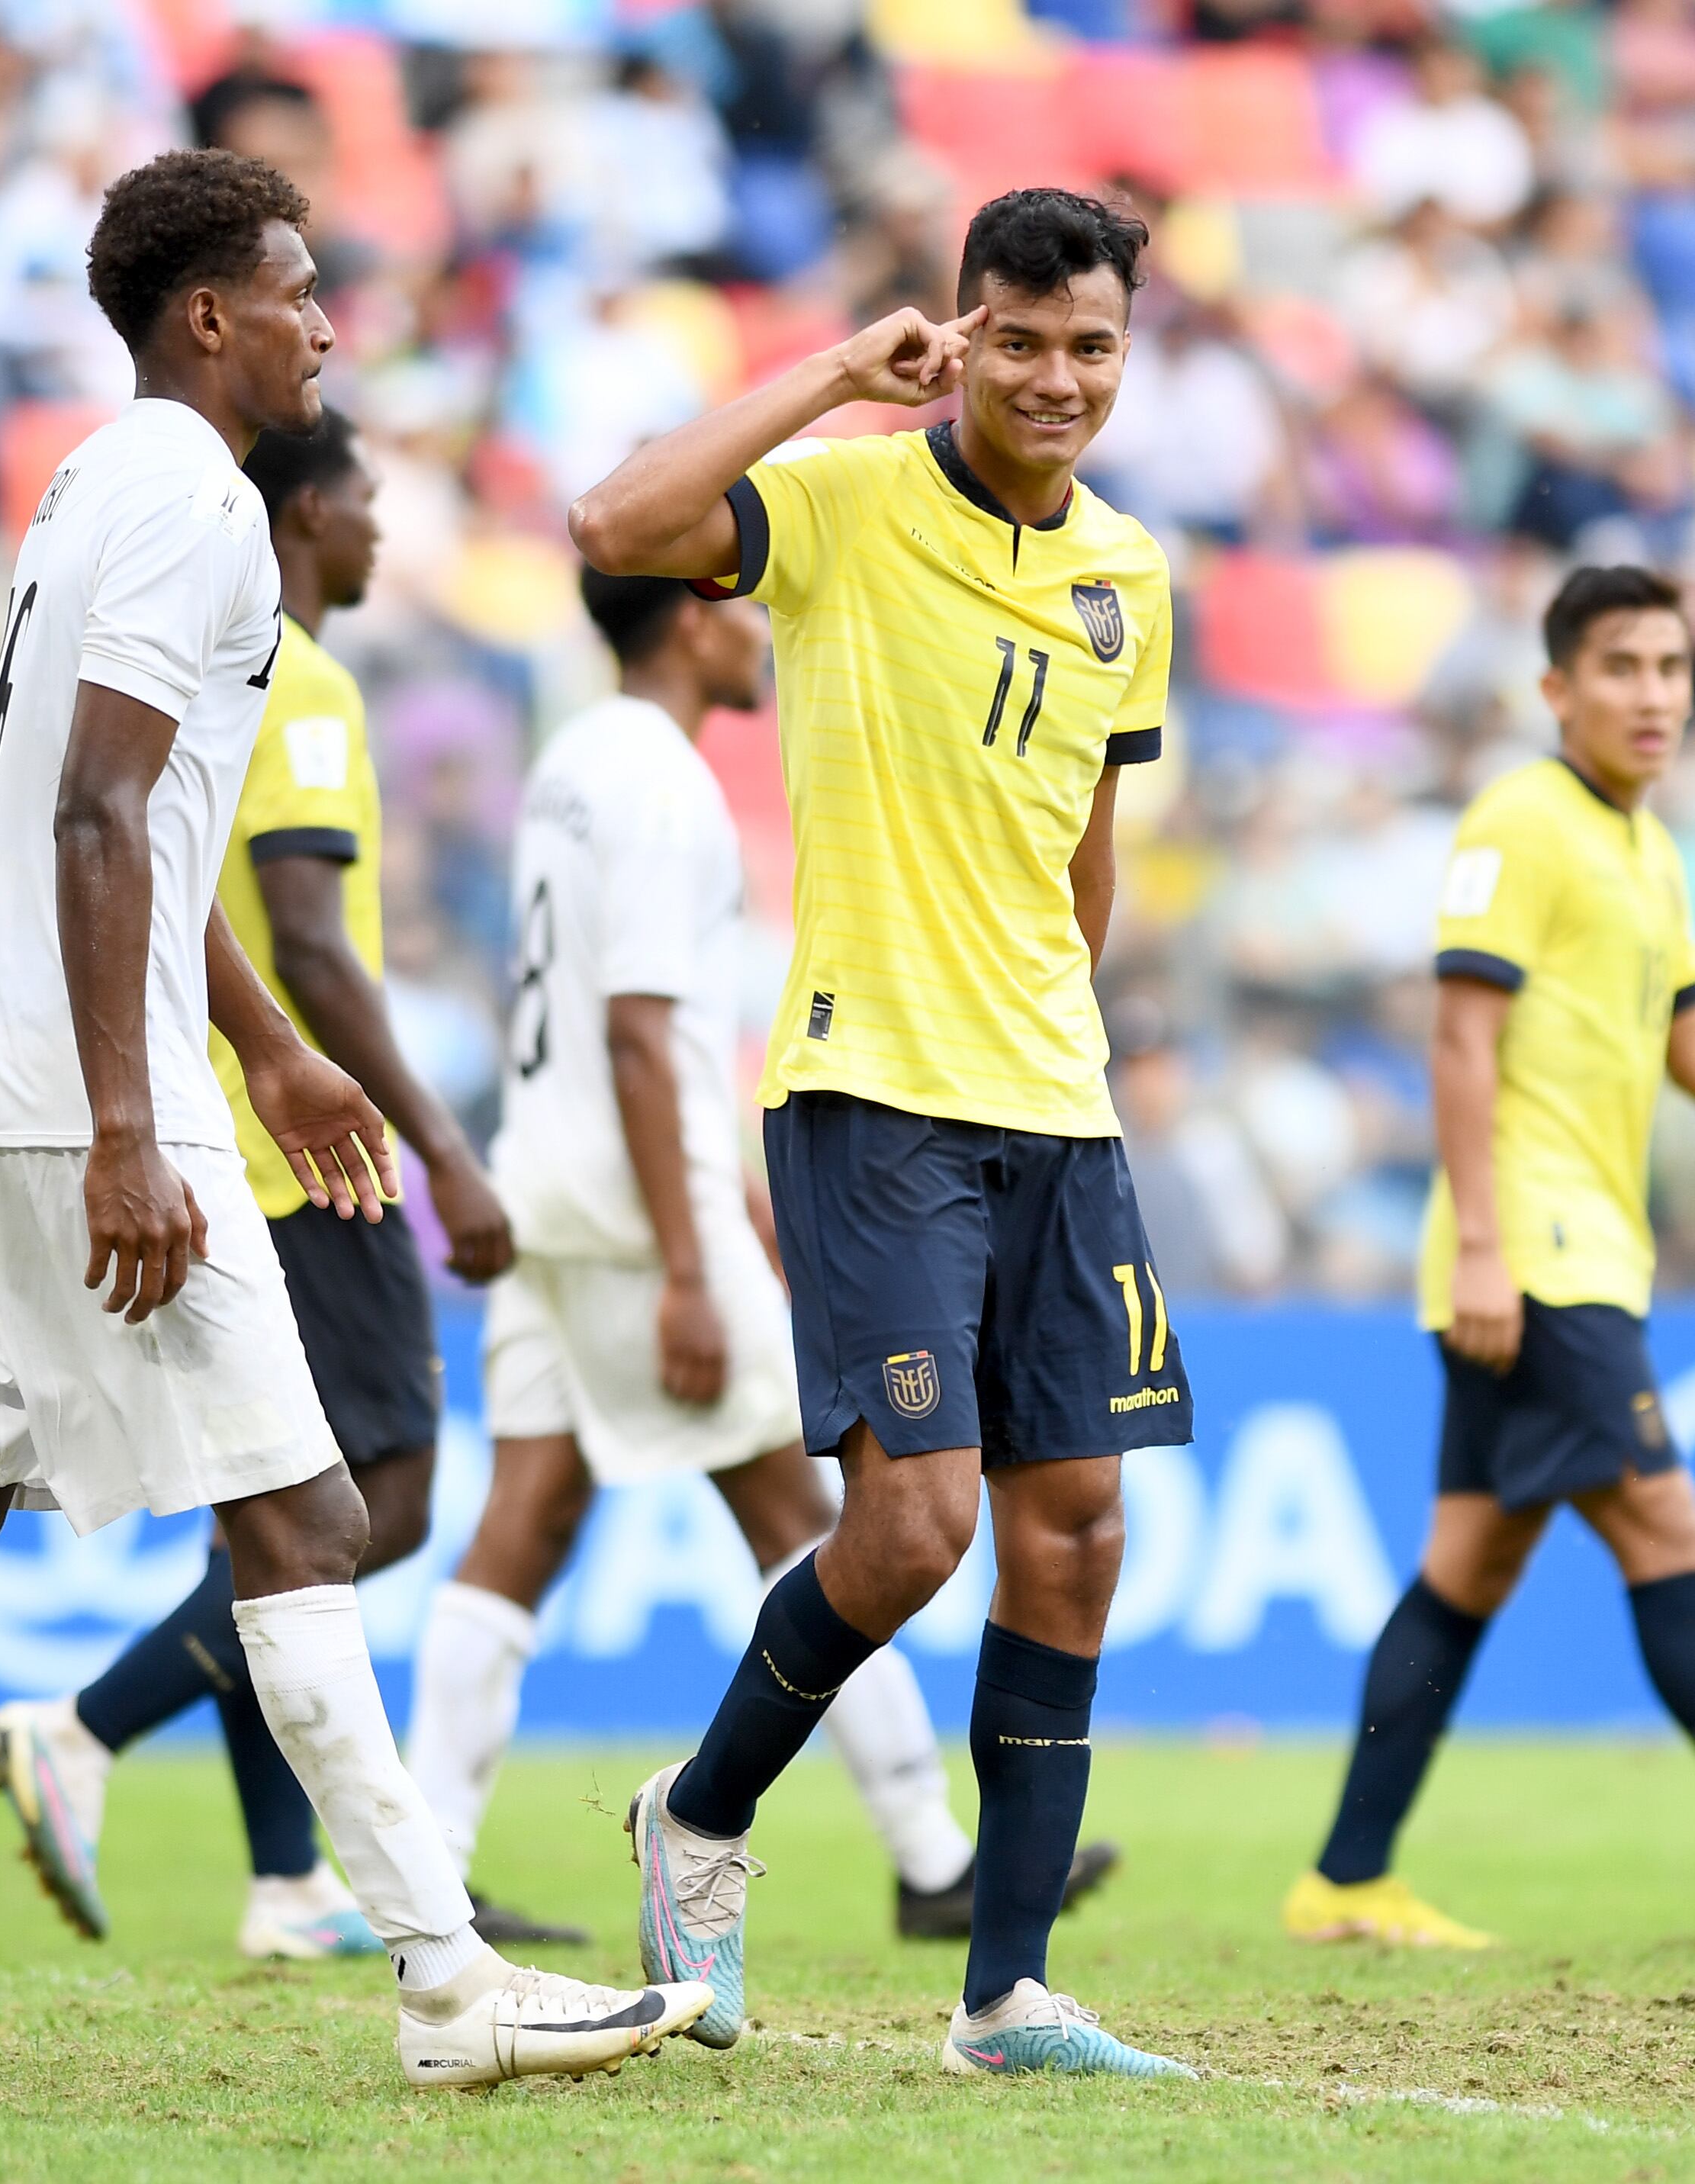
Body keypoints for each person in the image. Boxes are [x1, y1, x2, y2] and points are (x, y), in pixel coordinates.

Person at [0, 149, 700, 2098]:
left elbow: (131, 800)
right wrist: (140, 1126)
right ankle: (451, 1979)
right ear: (206, 312)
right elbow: (94, 814)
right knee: (309, 1517)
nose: (324, 322)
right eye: (298, 289)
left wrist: (278, 1049)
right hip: (82, 1107)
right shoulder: (201, 500)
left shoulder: (99, 479)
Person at [564, 185, 1193, 2078]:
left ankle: (1003, 1994)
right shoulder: (843, 500)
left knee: (1071, 1529)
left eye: (1091, 343)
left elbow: (1085, 849)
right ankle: (700, 1812)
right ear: (960, 330)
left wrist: (1065, 1039)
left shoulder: (1131, 577)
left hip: (1050, 1105)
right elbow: (614, 523)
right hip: (872, 1089)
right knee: (913, 1524)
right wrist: (837, 372)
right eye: (1019, 338)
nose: (1056, 376)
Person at [400, 565, 1119, 1943]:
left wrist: (730, 1194)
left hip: (550, 1172)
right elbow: (639, 1029)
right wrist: (690, 1255)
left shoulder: (571, 761)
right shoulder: (668, 785)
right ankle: (928, 1857)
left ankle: (425, 1873)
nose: (760, 629)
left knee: (522, 1527)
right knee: (841, 1525)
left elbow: (620, 1027)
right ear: (689, 620)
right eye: (740, 606)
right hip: (628, 1210)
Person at [1278, 566, 1695, 1952]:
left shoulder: (1644, 845)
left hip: (1577, 1246)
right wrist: (1479, 1245)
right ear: (1556, 691)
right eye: (1621, 669)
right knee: (1672, 1532)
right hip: (1535, 1254)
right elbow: (1459, 1038)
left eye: (1670, 668)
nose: (1653, 695)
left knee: (1466, 1566)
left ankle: (1346, 1880)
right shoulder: (1519, 822)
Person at [0, 404, 525, 1966]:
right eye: (360, 499)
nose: (378, 529)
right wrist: (443, 1151)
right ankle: (82, 1726)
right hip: (289, 1156)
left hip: (205, 1126)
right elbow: (318, 947)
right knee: (381, 1496)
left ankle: (288, 1880)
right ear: (300, 515)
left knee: (274, 1512)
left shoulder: (201, 663)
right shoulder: (308, 676)